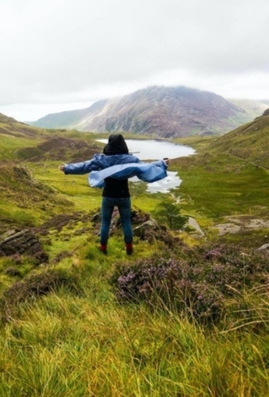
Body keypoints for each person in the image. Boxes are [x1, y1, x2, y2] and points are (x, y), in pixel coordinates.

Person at [59, 134, 169, 255]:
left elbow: (84, 166)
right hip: (124, 196)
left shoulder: (102, 159)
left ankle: (103, 248)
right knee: (126, 222)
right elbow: (146, 167)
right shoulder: (130, 160)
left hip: (108, 196)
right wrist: (162, 163)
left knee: (105, 222)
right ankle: (129, 249)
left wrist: (67, 168)